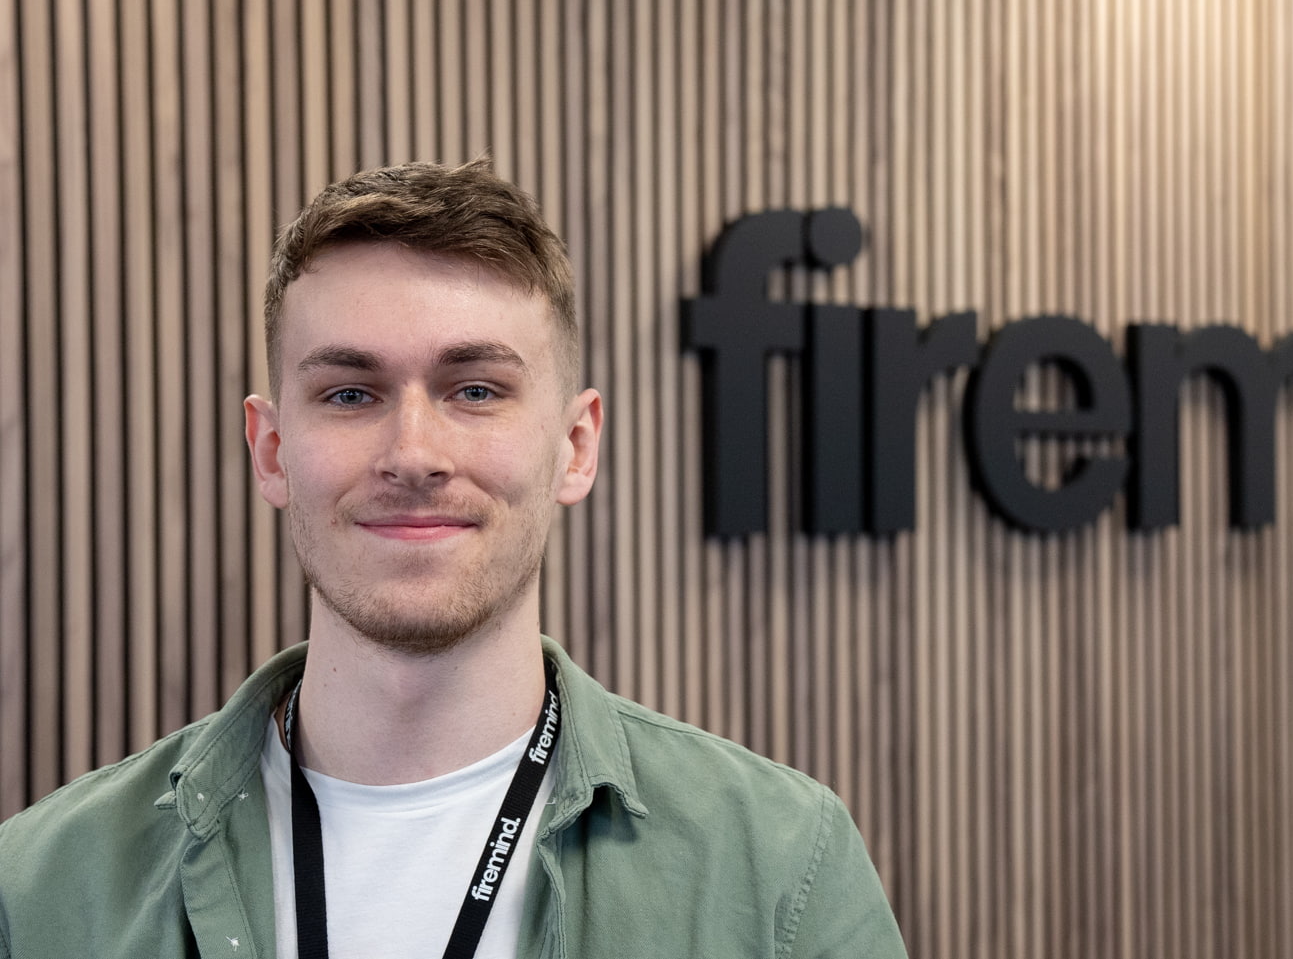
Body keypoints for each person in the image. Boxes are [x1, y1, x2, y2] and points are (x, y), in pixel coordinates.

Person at [0, 158, 909, 959]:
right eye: (350, 392)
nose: (413, 451)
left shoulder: (779, 867)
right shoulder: (40, 889)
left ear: (576, 445)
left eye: (475, 389)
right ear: (272, 450)